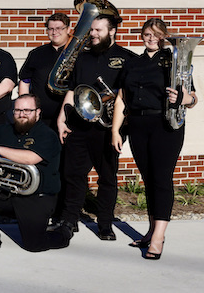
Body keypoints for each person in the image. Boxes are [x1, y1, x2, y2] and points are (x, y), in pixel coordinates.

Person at [111, 18, 196, 260]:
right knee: (148, 179)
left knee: (161, 179)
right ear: (142, 36)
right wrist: (116, 130)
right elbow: (121, 99)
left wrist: (183, 100)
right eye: (147, 34)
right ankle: (151, 231)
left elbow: (193, 98)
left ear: (165, 37)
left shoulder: (174, 61)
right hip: (137, 125)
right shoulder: (131, 63)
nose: (151, 38)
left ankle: (158, 237)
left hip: (165, 126)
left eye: (157, 34)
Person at [55, 14, 135, 240]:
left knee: (107, 177)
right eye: (92, 30)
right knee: (73, 174)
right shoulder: (83, 58)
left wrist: (117, 130)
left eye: (98, 30)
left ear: (112, 31)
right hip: (79, 125)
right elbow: (72, 89)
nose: (93, 34)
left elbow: (127, 96)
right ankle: (70, 220)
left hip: (107, 128)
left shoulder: (127, 58)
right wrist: (62, 118)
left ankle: (105, 224)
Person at [0, 95, 72, 252]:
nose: (22, 114)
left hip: (37, 197)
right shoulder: (4, 130)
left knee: (34, 246)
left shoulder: (47, 135)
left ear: (38, 112)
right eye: (18, 110)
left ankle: (64, 231)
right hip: (9, 193)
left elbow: (30, 158)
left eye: (27, 110)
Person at [19, 13, 71, 130]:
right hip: (40, 119)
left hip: (69, 118)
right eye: (51, 29)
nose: (54, 32)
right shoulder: (36, 53)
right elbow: (24, 82)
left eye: (59, 28)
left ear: (68, 29)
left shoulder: (79, 54)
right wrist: (27, 110)